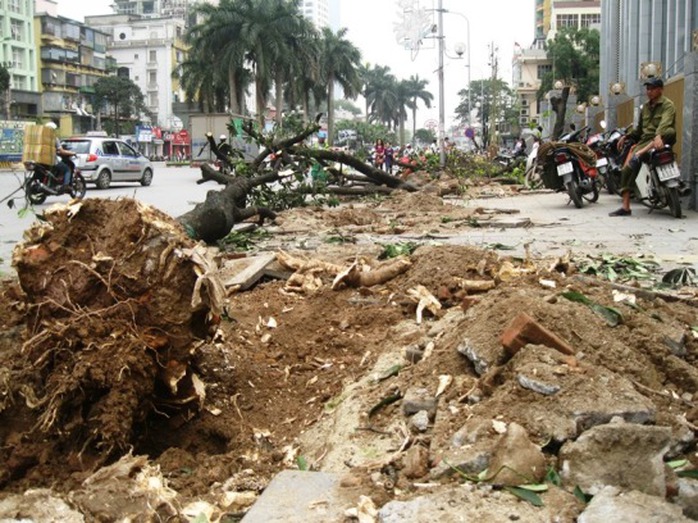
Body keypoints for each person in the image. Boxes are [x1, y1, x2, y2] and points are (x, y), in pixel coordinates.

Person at [609, 77, 676, 216]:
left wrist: (658, 135)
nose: (649, 91)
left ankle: (642, 154)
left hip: (663, 138)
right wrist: (626, 136)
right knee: (627, 170)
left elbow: (666, 122)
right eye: (648, 89)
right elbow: (639, 130)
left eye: (652, 89)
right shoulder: (645, 107)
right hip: (645, 142)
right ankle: (626, 207)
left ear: (660, 90)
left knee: (669, 131)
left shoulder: (668, 105)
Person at [45, 121, 73, 194]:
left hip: (41, 161)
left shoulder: (41, 138)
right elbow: (62, 151)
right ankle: (65, 186)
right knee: (67, 169)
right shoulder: (54, 139)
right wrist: (72, 153)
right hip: (52, 161)